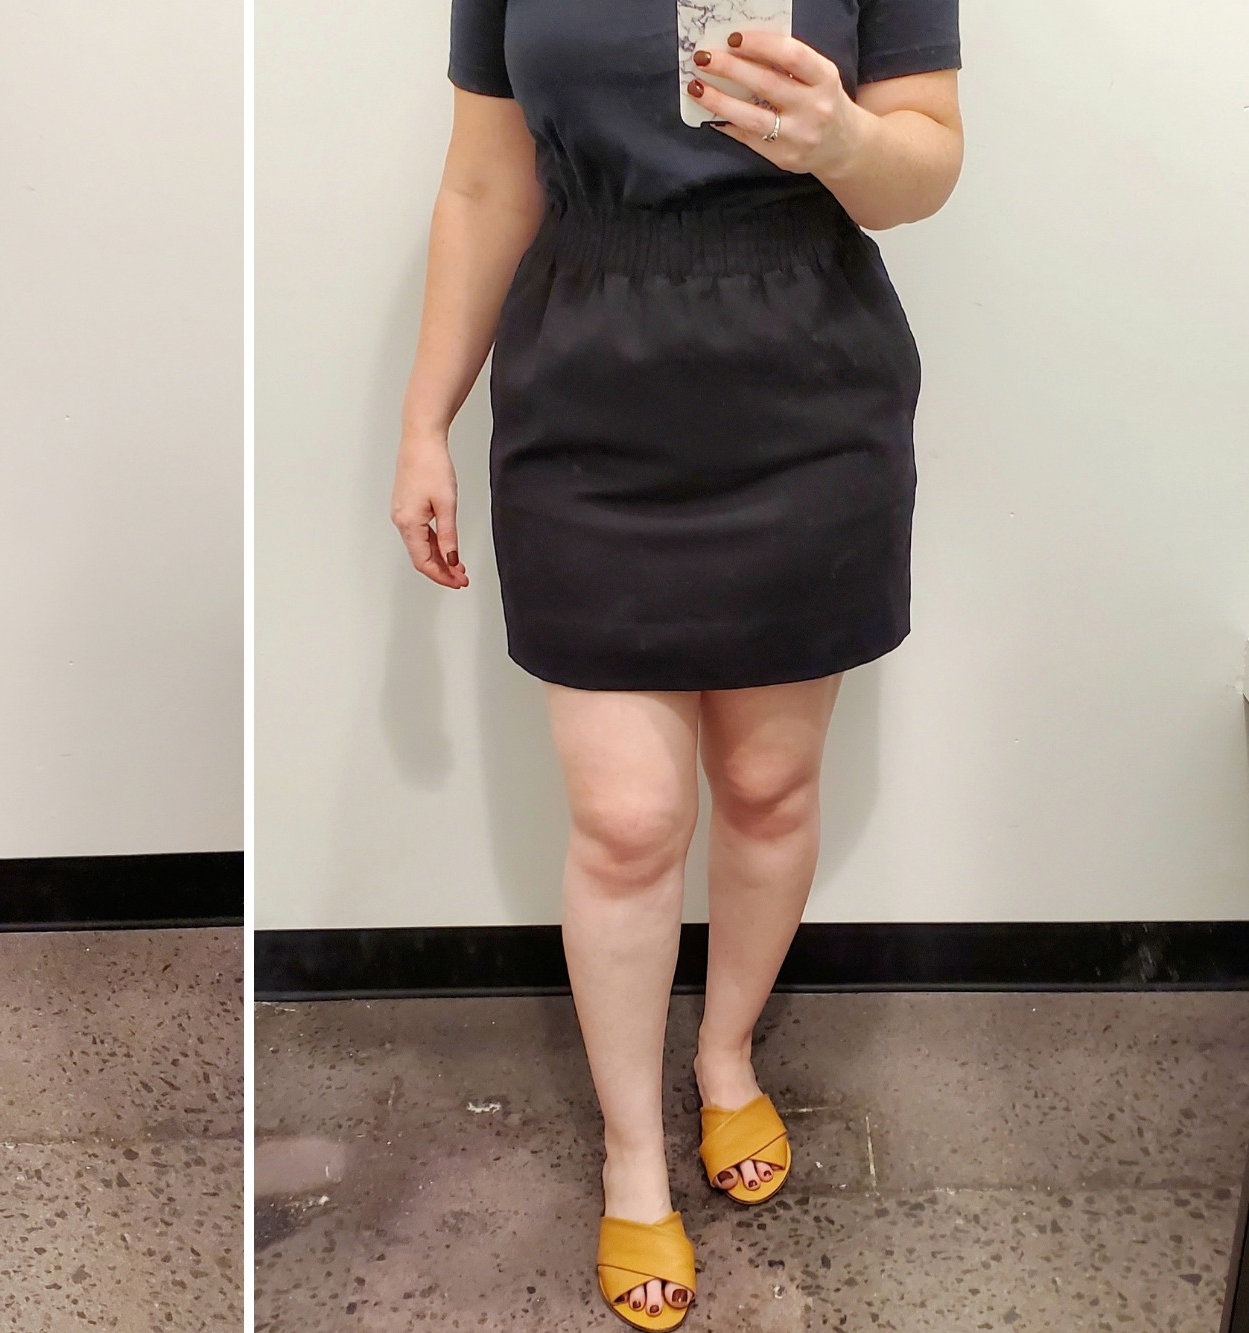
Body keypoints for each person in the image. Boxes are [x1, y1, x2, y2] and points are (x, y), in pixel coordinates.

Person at [390, 2, 962, 1325]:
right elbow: (485, 179)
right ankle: (631, 1154)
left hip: (807, 387)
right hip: (587, 389)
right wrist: (425, 420)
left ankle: (722, 1058)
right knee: (629, 818)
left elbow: (926, 167)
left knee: (766, 786)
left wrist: (845, 135)